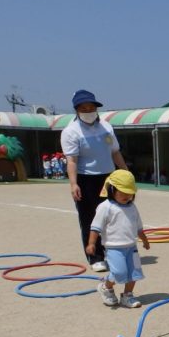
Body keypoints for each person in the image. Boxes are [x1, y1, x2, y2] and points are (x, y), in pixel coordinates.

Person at [61, 89, 128, 272]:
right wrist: (74, 184)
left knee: (112, 216)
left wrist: (125, 172)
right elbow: (72, 160)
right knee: (90, 219)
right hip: (86, 179)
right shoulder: (71, 131)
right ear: (77, 110)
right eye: (84, 108)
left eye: (92, 107)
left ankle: (111, 252)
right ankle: (95, 256)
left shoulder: (106, 127)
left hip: (109, 177)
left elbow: (115, 152)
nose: (89, 110)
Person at [87, 170, 150, 308]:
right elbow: (95, 227)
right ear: (111, 189)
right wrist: (91, 243)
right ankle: (105, 286)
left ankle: (127, 296)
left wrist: (144, 240)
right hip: (114, 248)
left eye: (130, 193)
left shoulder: (132, 207)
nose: (127, 196)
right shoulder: (105, 207)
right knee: (118, 273)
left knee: (134, 274)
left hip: (131, 247)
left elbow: (139, 227)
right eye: (123, 192)